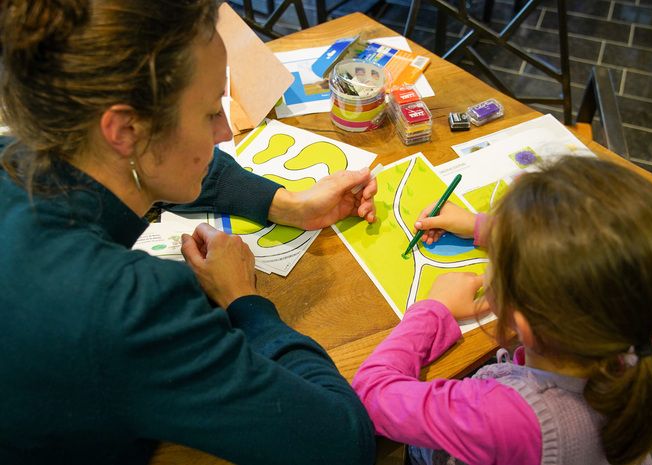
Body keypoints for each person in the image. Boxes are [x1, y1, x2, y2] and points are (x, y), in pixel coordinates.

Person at [0, 1, 377, 464]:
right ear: (125, 130)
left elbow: (191, 164)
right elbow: (341, 444)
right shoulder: (126, 305)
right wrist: (246, 303)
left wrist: (285, 204)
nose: (224, 132)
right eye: (208, 113)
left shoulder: (24, 151)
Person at [352, 156, 652, 465]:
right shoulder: (631, 328)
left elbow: (370, 394)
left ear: (523, 325)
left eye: (497, 263)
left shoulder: (505, 419)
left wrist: (433, 308)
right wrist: (479, 226)